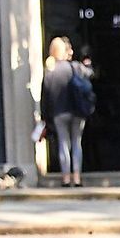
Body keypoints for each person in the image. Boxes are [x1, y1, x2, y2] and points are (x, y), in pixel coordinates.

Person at [40, 36, 93, 187]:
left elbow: (45, 97)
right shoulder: (75, 67)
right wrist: (88, 63)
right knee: (77, 143)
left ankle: (65, 178)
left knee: (64, 144)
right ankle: (76, 178)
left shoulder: (50, 71)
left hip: (59, 113)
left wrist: (45, 118)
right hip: (77, 111)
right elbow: (90, 74)